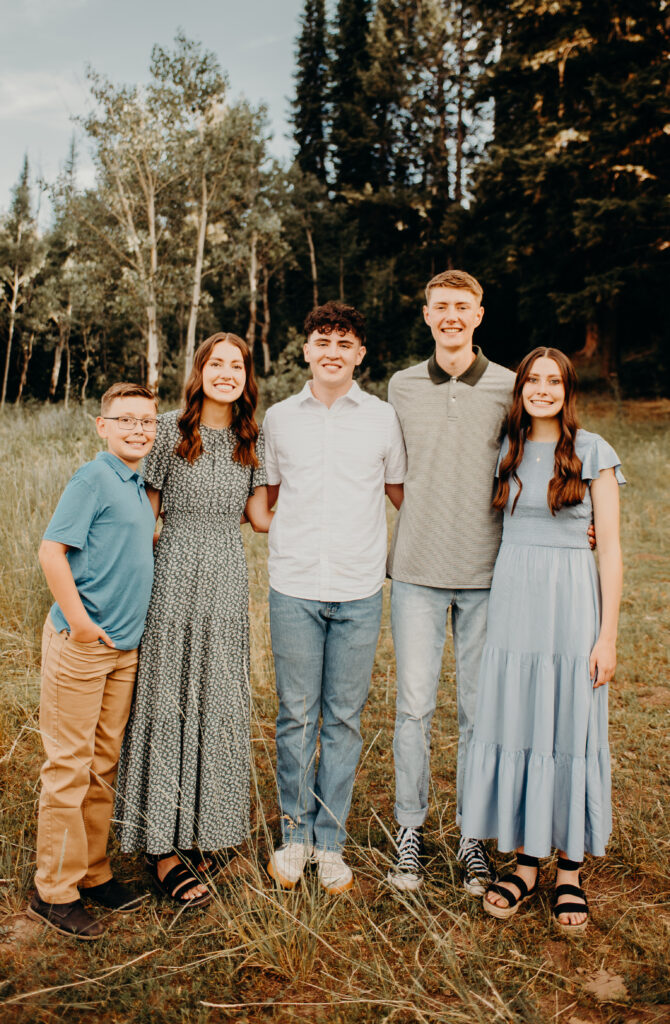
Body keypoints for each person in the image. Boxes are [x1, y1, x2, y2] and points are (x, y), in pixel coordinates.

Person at [461, 347, 623, 933]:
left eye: (554, 381)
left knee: (570, 722)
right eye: (534, 380)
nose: (543, 389)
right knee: (523, 721)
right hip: (514, 605)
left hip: (571, 607)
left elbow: (612, 551)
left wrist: (606, 637)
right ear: (521, 388)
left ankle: (570, 870)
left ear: (567, 389)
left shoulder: (593, 451)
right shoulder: (505, 452)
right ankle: (527, 859)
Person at [115, 332, 271, 907]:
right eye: (216, 364)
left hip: (226, 581)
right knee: (166, 698)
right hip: (172, 575)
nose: (226, 373)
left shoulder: (251, 440)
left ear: (246, 376)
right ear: (199, 371)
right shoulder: (170, 435)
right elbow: (144, 520)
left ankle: (202, 828)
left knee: (215, 700)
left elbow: (259, 518)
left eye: (237, 365)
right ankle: (160, 845)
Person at [263, 301, 406, 895]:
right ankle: (295, 836)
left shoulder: (382, 419)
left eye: (344, 342)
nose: (332, 351)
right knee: (296, 715)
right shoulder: (278, 418)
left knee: (344, 719)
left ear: (360, 354)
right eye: (322, 339)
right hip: (294, 585)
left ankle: (330, 843)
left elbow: (404, 495)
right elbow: (265, 498)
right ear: (306, 350)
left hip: (358, 588)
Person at [386, 269, 516, 894]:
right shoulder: (402, 386)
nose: (452, 316)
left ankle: (471, 837)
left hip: (489, 572)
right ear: (428, 314)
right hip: (416, 570)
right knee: (413, 708)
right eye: (441, 307)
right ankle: (410, 833)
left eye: (463, 307)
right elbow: (389, 470)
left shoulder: (511, 387)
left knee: (476, 713)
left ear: (480, 314)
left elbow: (538, 465)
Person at [27, 383, 158, 939]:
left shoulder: (137, 485)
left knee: (103, 764)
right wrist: (80, 624)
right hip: (83, 646)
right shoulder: (94, 477)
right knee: (69, 765)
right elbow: (51, 550)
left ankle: (94, 871)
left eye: (147, 421)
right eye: (124, 419)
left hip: (123, 650)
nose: (137, 429)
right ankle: (53, 890)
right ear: (100, 425)